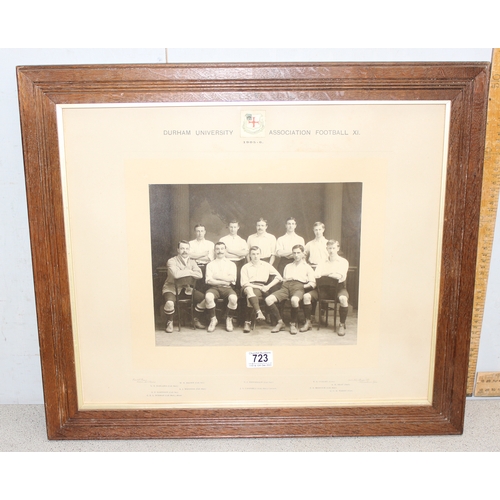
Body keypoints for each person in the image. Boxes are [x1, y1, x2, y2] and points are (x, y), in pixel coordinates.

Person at [265, 244, 315, 335]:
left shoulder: (307, 267)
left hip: (299, 287)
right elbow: (284, 279)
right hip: (286, 286)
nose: (296, 255)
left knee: (294, 300)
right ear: (292, 254)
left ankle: (293, 323)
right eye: (294, 253)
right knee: (268, 299)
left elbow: (313, 283)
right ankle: (280, 322)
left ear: (303, 254)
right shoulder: (288, 266)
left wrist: (302, 287)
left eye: (298, 253)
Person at [302, 239, 349, 335]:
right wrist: (331, 274)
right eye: (329, 248)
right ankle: (308, 322)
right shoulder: (322, 261)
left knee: (344, 299)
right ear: (326, 249)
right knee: (306, 296)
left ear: (338, 248)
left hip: (338, 289)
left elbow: (340, 276)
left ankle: (341, 324)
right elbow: (316, 275)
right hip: (322, 290)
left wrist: (325, 274)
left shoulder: (343, 261)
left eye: (333, 248)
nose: (331, 250)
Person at [161, 240, 206, 333]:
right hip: (171, 288)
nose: (185, 251)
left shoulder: (192, 262)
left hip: (186, 289)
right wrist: (190, 272)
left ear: (189, 250)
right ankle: (170, 321)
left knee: (206, 299)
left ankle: (195, 319)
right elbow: (176, 275)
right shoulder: (171, 261)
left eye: (187, 248)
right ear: (178, 250)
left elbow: (199, 275)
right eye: (182, 248)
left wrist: (184, 272)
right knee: (169, 303)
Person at [240, 246, 282, 333]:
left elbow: (279, 277)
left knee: (254, 296)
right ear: (250, 255)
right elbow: (244, 283)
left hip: (263, 287)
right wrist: (259, 287)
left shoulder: (266, 265)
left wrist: (268, 286)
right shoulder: (245, 267)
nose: (255, 256)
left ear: (260, 255)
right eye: (253, 254)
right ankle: (256, 314)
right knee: (249, 290)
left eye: (257, 254)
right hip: (249, 285)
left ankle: (248, 322)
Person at [204, 241, 238, 332]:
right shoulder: (210, 264)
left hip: (227, 288)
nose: (220, 251)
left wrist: (216, 276)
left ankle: (229, 319)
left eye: (222, 249)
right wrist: (224, 280)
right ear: (214, 251)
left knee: (233, 299)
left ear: (225, 250)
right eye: (217, 249)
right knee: (208, 297)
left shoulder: (231, 264)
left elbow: (232, 279)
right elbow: (209, 280)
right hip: (214, 288)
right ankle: (213, 319)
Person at [220, 220, 248, 287]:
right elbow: (223, 254)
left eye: (234, 227)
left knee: (238, 280)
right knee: (227, 281)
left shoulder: (242, 240)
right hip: (227, 263)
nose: (233, 229)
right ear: (228, 227)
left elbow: (244, 253)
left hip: (239, 263)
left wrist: (230, 251)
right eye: (231, 227)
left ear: (238, 227)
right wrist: (238, 254)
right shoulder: (223, 240)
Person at [189, 224, 214, 291]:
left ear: (205, 232)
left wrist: (195, 256)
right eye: (198, 231)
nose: (200, 233)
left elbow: (209, 258)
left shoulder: (210, 244)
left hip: (206, 268)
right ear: (194, 232)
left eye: (201, 231)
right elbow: (189, 256)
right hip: (194, 268)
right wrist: (203, 254)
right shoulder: (190, 243)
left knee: (206, 288)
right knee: (195, 288)